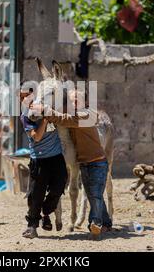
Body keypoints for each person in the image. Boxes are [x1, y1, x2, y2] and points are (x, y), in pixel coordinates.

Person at [30, 88, 112, 239]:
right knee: (94, 194)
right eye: (71, 100)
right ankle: (106, 222)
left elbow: (65, 120)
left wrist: (46, 109)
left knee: (94, 195)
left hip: (97, 162)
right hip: (84, 163)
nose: (73, 103)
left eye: (77, 100)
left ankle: (95, 223)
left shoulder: (87, 114)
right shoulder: (73, 116)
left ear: (85, 102)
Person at [19, 84, 67, 239]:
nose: (25, 100)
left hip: (56, 157)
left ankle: (46, 212)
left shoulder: (49, 109)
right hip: (39, 160)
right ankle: (32, 226)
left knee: (58, 188)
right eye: (22, 97)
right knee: (36, 195)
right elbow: (37, 137)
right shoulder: (26, 116)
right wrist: (46, 120)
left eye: (27, 95)